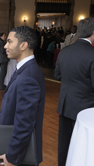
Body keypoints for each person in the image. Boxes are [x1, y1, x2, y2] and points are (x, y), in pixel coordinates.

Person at [0, 26, 45, 166]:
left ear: (23, 45)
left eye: (10, 41)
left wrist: (12, 157)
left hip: (20, 154)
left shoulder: (28, 77)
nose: (5, 45)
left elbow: (24, 124)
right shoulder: (23, 69)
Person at [54, 17, 94, 166]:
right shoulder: (92, 53)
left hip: (65, 104)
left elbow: (57, 75)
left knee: (64, 141)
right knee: (82, 144)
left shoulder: (64, 51)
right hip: (85, 107)